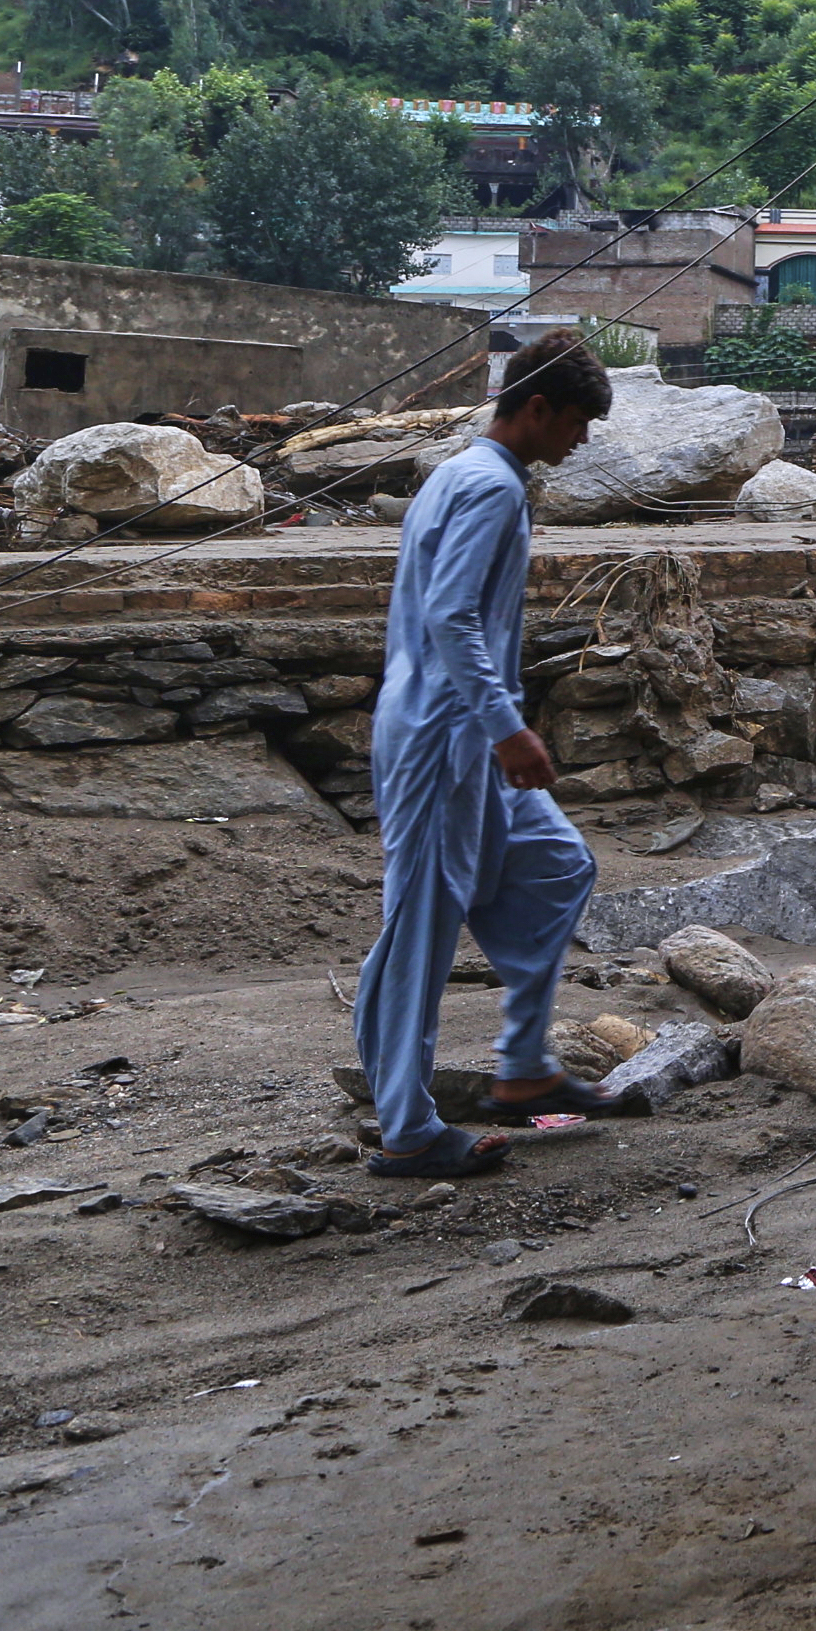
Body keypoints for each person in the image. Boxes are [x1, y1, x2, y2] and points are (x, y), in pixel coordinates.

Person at [351, 329, 615, 1180]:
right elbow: (452, 618)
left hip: (467, 728)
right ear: (538, 408)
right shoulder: (488, 490)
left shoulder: (468, 478)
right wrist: (508, 725)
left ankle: (523, 1067)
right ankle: (407, 1128)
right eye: (576, 424)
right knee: (420, 930)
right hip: (443, 732)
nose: (580, 443)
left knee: (557, 864)